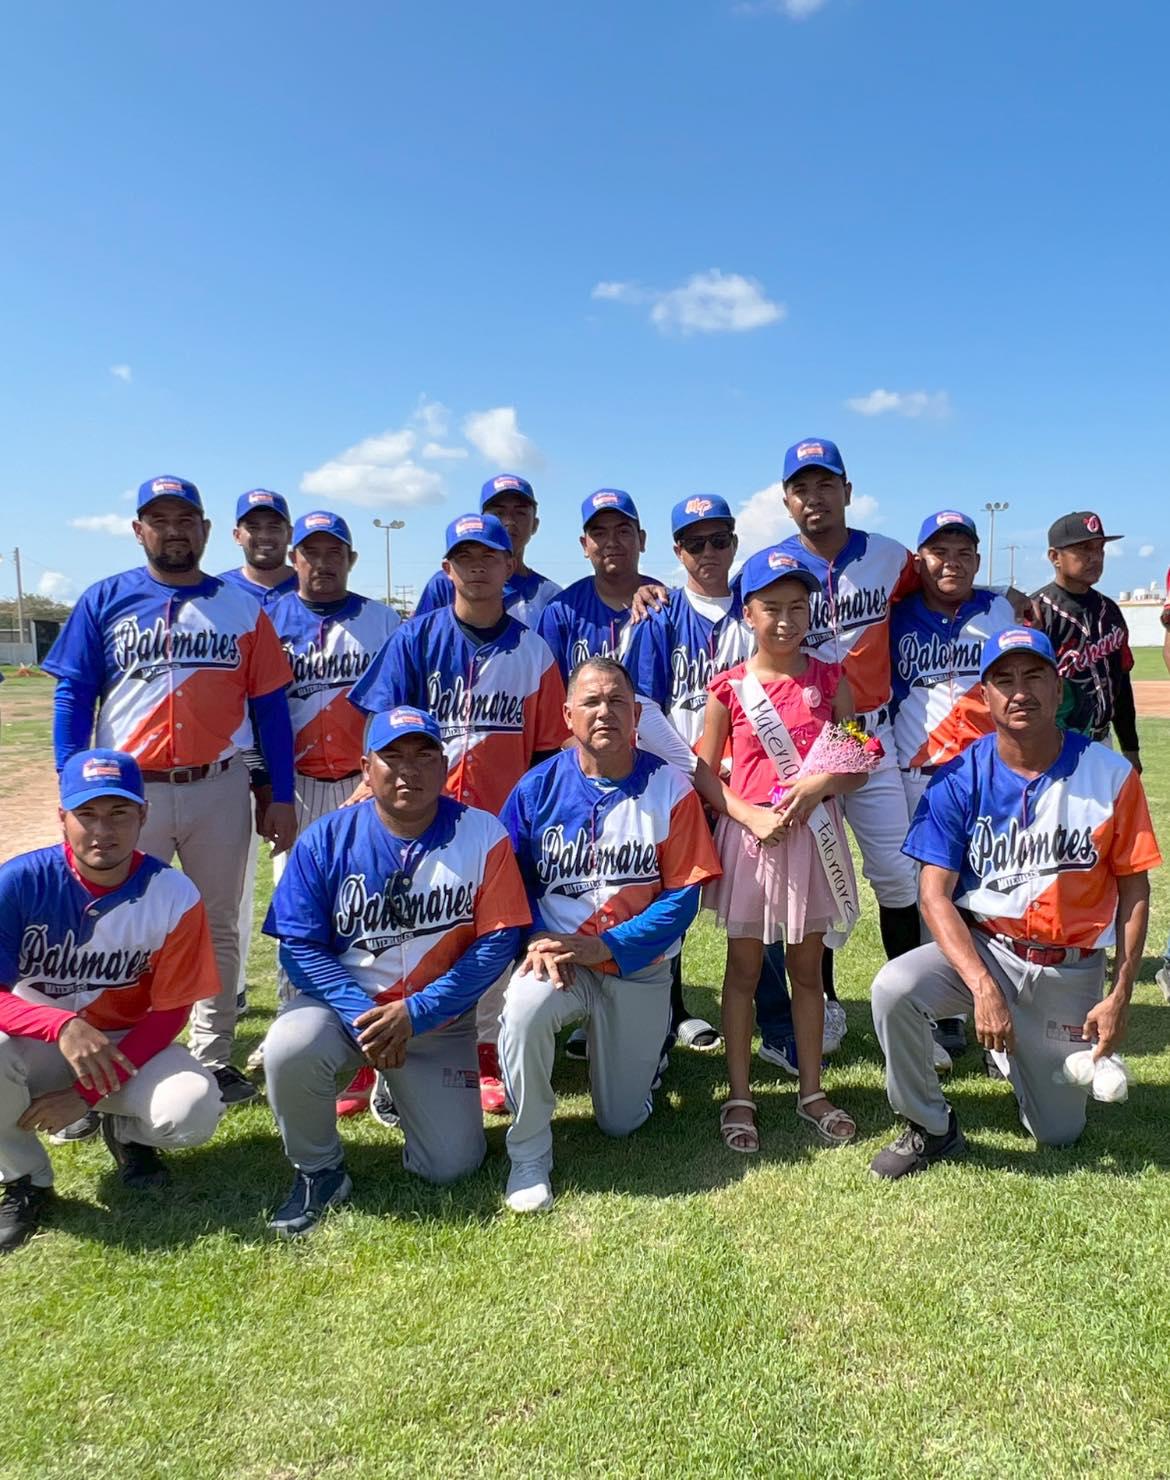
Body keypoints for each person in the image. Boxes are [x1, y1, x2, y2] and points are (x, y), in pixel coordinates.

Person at [43, 475, 296, 1109]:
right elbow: (74, 695)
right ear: (139, 530)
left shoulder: (242, 607)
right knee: (109, 920)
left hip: (217, 784)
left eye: (186, 519)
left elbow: (270, 708)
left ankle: (213, 1054)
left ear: (206, 530)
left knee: (216, 921)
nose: (174, 530)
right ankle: (100, 1054)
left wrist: (279, 792)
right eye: (160, 520)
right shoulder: (106, 598)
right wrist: (72, 785)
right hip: (125, 794)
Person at [869, 628, 1161, 1179]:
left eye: (1034, 676)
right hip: (990, 947)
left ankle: (1018, 1053)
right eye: (1004, 680)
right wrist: (983, 988)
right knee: (894, 988)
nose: (1020, 691)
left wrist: (1121, 993)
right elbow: (932, 895)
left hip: (1068, 968)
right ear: (985, 695)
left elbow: (1134, 890)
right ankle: (930, 1126)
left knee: (1058, 1132)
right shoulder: (959, 777)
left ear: (1058, 688)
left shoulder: (1110, 775)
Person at [261, 707, 530, 1237]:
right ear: (367, 768)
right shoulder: (325, 838)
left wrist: (418, 1012)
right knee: (290, 1045)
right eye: (393, 756)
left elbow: (498, 943)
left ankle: (402, 1088)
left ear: (445, 765)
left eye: (424, 756)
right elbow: (298, 947)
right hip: (346, 1014)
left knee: (451, 1166)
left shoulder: (482, 832)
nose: (409, 769)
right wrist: (363, 1015)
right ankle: (318, 1169)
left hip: (436, 1020)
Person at [348, 513, 567, 1114]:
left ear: (509, 565)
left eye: (489, 556)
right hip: (417, 817)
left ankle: (487, 1051)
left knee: (493, 935)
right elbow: (380, 724)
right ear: (447, 569)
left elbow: (547, 752)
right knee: (401, 933)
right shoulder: (416, 639)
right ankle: (378, 1046)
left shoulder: (534, 651)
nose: (477, 567)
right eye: (464, 557)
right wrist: (371, 785)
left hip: (497, 823)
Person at [497, 656, 722, 1212]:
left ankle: (639, 1056)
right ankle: (529, 1154)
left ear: (637, 715)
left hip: (637, 967)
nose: (605, 712)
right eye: (592, 702)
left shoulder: (669, 787)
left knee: (620, 1122)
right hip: (561, 962)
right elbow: (507, 883)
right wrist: (534, 938)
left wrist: (610, 946)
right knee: (522, 1010)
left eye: (618, 701)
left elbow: (683, 897)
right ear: (567, 715)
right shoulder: (535, 789)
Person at [0, 750, 224, 1252]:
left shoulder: (173, 893)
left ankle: (128, 1134)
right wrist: (60, 1026)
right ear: (62, 818)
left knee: (192, 1110)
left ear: (144, 815)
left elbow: (170, 1012)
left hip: (127, 1043)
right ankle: (25, 1178)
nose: (103, 830)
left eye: (119, 813)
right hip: (37, 1043)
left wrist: (84, 1096)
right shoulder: (17, 883)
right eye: (88, 814)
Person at [699, 549, 866, 1153]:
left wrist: (821, 784)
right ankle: (739, 1094)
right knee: (743, 970)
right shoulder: (729, 689)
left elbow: (857, 765)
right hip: (753, 843)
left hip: (813, 844)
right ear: (748, 613)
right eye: (771, 608)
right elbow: (703, 772)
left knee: (807, 972)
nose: (786, 620)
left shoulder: (832, 679)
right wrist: (747, 814)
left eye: (798, 607)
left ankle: (811, 1091)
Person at [262, 510, 401, 1114]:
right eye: (311, 553)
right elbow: (259, 708)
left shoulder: (382, 620)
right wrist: (269, 789)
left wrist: (379, 779)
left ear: (351, 559)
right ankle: (303, 1031)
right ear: (294, 559)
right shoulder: (268, 618)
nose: (322, 563)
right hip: (295, 783)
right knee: (297, 915)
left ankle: (377, 1035)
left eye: (334, 552)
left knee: (371, 909)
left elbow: (397, 704)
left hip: (363, 781)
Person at [624, 494, 752, 1054]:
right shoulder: (658, 615)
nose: (708, 552)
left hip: (750, 778)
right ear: (677, 551)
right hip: (679, 779)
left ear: (734, 543)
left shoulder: (757, 607)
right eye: (695, 543)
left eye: (718, 540)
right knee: (667, 894)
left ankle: (777, 1014)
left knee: (764, 896)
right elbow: (642, 705)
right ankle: (671, 1010)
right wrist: (696, 773)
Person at [218, 489, 299, 1020]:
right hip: (231, 757)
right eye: (255, 526)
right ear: (236, 534)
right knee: (232, 887)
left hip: (296, 758)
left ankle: (297, 995)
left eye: (274, 526)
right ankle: (233, 989)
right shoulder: (217, 594)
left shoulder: (309, 588)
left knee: (293, 884)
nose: (265, 535)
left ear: (288, 535)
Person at [889, 511, 1016, 817]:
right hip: (919, 775)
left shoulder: (1002, 610)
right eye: (940, 552)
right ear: (918, 562)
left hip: (991, 769)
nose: (952, 562)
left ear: (977, 562)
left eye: (963, 554)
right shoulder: (893, 615)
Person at [1030, 512, 1141, 770]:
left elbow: (1121, 685)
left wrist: (1130, 748)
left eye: (1100, 548)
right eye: (1084, 549)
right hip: (1054, 745)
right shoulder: (1037, 613)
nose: (1095, 557)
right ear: (1054, 557)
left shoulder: (1109, 610)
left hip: (1102, 741)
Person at [536, 490, 659, 682]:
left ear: (641, 540)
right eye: (599, 533)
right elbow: (547, 689)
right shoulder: (560, 612)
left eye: (623, 531)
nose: (612, 542)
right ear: (584, 545)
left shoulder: (664, 604)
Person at [412, 474, 560, 626]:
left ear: (535, 525)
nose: (509, 521)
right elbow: (419, 635)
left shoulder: (552, 597)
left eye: (520, 513)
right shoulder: (446, 583)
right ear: (482, 521)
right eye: (498, 513)